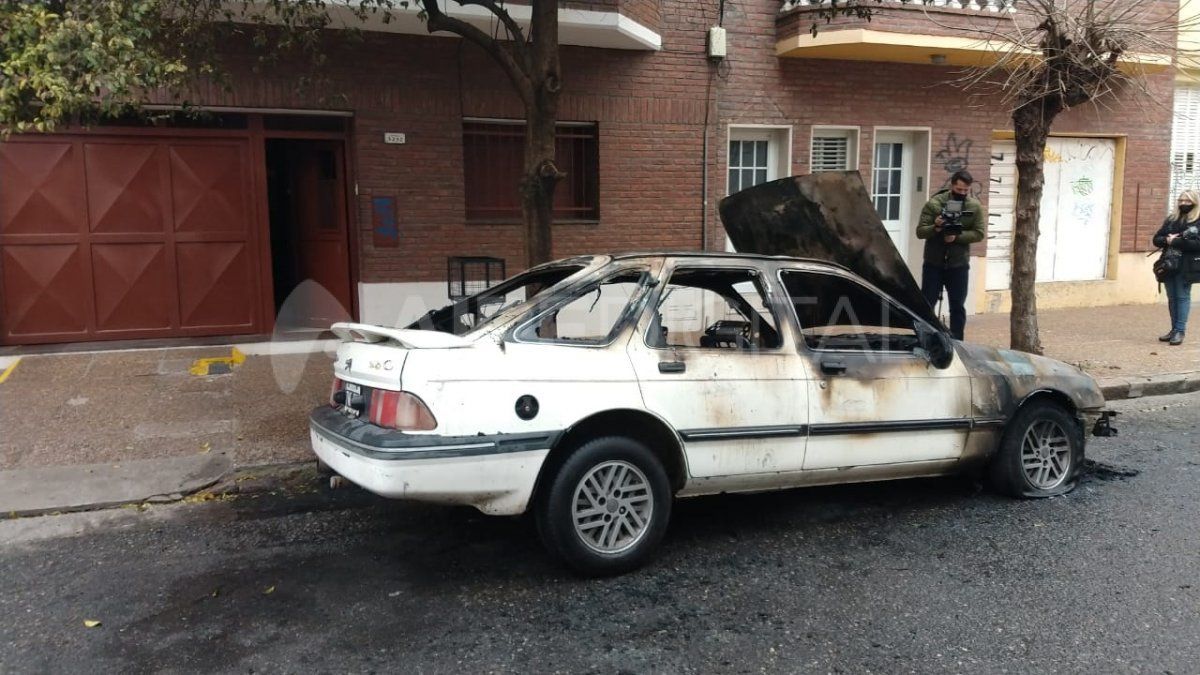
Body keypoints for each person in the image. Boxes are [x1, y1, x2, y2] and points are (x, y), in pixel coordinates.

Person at [916, 170, 986, 340]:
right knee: (927, 304)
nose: (962, 193)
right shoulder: (935, 204)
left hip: (958, 264)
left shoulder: (973, 207)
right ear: (952, 186)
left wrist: (957, 237)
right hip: (934, 262)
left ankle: (957, 342)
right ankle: (926, 339)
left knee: (957, 306)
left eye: (965, 190)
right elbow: (920, 232)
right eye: (959, 189)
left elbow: (979, 233)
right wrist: (936, 227)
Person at [1152, 190, 1200, 346]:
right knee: (1172, 298)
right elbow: (1156, 239)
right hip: (1168, 264)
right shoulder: (1172, 219)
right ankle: (1173, 330)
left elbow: (1197, 244)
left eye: (1187, 201)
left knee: (1182, 297)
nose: (1183, 203)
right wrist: (1166, 240)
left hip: (1187, 266)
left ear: (1195, 202)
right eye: (1181, 200)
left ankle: (1180, 331)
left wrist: (1175, 241)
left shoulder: (1197, 221)